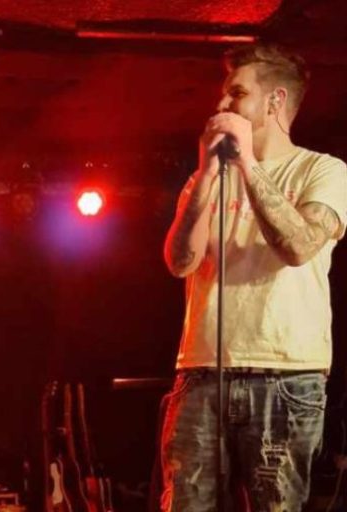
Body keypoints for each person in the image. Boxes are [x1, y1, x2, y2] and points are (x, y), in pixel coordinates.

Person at [161, 43, 347, 511]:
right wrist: (206, 175)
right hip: (202, 372)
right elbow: (180, 261)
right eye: (224, 94)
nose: (222, 104)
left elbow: (298, 246)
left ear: (274, 101)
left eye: (237, 93)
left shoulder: (324, 171)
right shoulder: (205, 179)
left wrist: (247, 162)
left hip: (285, 375)